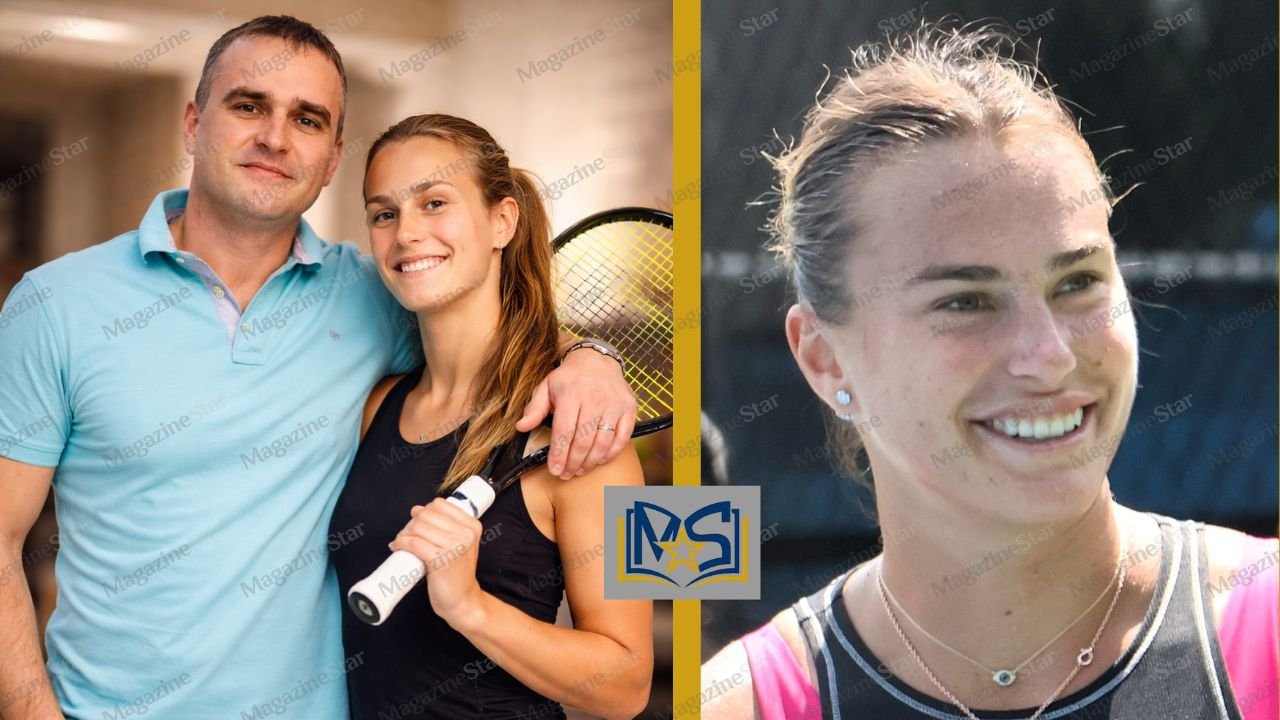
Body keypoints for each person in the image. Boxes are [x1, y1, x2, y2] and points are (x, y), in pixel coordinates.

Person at [0, 17, 638, 720]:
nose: (275, 137)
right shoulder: (58, 304)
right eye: (248, 105)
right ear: (193, 123)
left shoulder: (582, 431)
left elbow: (650, 661)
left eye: (306, 119)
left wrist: (596, 359)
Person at [701, 24, 1277, 720]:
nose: (1051, 355)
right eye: (965, 301)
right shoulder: (743, 704)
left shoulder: (1264, 624)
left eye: (1077, 282)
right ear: (823, 357)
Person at [329, 113, 652, 720]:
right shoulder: (378, 405)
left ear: (502, 221)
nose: (406, 234)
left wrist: (470, 606)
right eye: (384, 213)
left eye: (434, 202)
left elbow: (628, 686)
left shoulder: (581, 434)